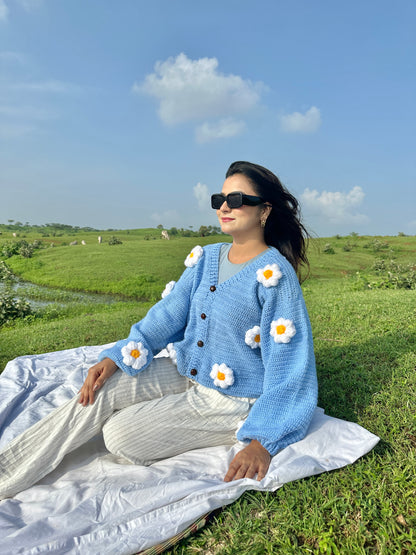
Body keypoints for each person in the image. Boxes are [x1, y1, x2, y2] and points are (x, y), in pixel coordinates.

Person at [0, 161, 318, 500]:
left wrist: (262, 442)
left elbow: (290, 363)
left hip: (230, 398)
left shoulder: (274, 275)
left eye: (237, 199)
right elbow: (167, 315)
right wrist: (117, 358)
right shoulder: (208, 258)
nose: (224, 207)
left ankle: (232, 425)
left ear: (264, 210)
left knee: (119, 436)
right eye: (219, 199)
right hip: (185, 370)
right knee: (101, 387)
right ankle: (7, 471)